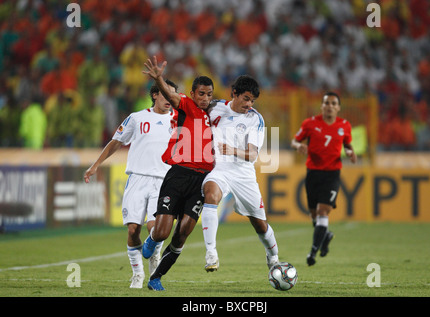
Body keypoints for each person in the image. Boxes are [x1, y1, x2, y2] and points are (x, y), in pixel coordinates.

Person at [83, 79, 179, 288]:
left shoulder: (180, 120)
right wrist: (95, 165)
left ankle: (154, 253)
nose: (170, 99)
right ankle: (137, 273)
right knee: (133, 229)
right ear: (155, 94)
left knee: (156, 228)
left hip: (164, 181)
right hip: (137, 178)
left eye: (173, 95)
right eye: (165, 94)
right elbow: (116, 142)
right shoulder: (137, 118)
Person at [141, 56, 215, 291]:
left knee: (182, 233)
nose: (205, 98)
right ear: (193, 94)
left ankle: (155, 278)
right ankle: (152, 239)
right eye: (201, 93)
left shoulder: (215, 114)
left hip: (201, 182)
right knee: (162, 233)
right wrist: (159, 78)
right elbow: (172, 96)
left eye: (209, 94)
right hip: (178, 176)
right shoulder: (185, 104)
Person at [201, 75, 280, 272]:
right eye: (246, 98)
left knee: (260, 225)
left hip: (243, 174)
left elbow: (253, 154)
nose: (249, 104)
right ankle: (211, 253)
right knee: (210, 195)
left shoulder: (255, 119)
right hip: (219, 168)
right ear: (234, 94)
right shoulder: (215, 107)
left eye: (252, 100)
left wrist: (233, 150)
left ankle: (274, 258)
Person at [291, 92, 357, 266]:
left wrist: (350, 151)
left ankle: (312, 252)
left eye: (333, 103)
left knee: (322, 212)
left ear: (338, 107)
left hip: (332, 174)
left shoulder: (344, 125)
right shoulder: (310, 123)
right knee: (314, 215)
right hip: (313, 173)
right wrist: (299, 146)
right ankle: (325, 236)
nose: (330, 106)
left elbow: (347, 143)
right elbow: (294, 141)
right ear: (321, 106)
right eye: (327, 103)